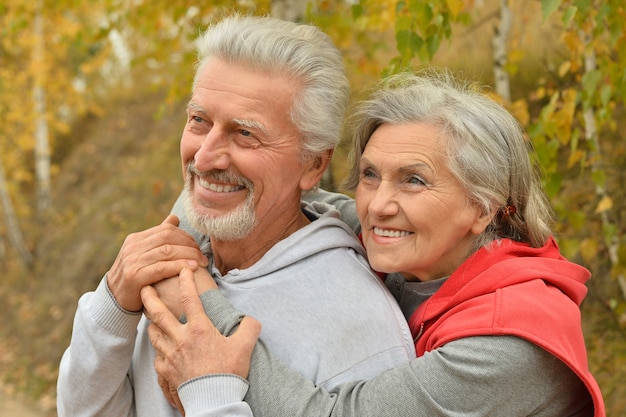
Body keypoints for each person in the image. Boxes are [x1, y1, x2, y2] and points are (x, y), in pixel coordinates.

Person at [142, 70, 606, 416]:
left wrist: (197, 297)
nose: (378, 205)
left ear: (483, 208)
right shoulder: (410, 247)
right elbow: (261, 191)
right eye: (369, 175)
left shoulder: (507, 346)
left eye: (414, 181)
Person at [56, 14, 416, 417]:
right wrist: (112, 307)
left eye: (245, 133)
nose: (205, 157)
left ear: (313, 164)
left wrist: (206, 393)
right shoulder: (173, 262)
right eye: (199, 121)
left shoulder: (359, 326)